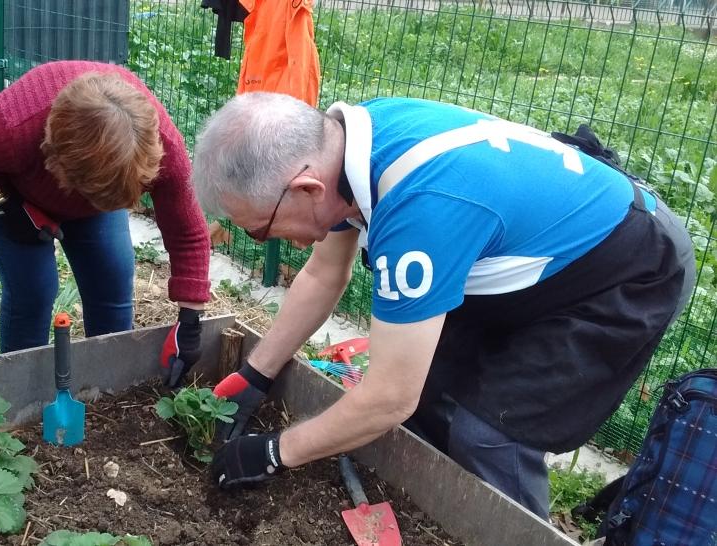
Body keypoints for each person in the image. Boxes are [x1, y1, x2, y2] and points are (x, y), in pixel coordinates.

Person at [192, 92, 695, 518]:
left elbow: (389, 398)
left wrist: (277, 452)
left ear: (306, 187)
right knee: (430, 396)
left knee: (491, 432)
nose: (263, 240)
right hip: (524, 246)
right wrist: (257, 372)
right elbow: (325, 273)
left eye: (261, 228)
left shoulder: (419, 211)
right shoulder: (344, 147)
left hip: (625, 268)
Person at [0, 61, 211, 387]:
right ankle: (23, 394)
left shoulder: (161, 149)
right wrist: (8, 207)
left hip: (97, 181)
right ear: (54, 158)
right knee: (34, 289)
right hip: (5, 188)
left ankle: (110, 389)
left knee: (111, 277)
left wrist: (190, 322)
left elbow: (188, 233)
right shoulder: (6, 132)